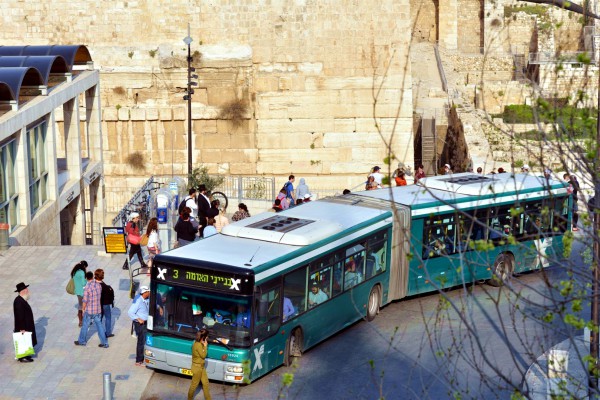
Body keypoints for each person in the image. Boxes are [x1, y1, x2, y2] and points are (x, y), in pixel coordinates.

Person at [75, 269, 109, 348]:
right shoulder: (98, 285)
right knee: (99, 326)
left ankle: (82, 341)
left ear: (86, 278)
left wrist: (83, 310)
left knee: (85, 326)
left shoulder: (87, 287)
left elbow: (85, 300)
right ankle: (104, 343)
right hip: (98, 310)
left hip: (89, 311)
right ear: (93, 277)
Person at [13, 282, 36, 362]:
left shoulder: (21, 299)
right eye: (26, 289)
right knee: (23, 340)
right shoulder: (19, 302)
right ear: (23, 291)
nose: (28, 291)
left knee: (26, 340)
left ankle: (26, 355)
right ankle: (22, 357)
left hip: (26, 325)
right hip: (23, 326)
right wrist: (22, 328)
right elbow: (20, 316)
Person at [187, 329, 213, 400]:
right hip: (197, 368)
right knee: (194, 385)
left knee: (206, 383)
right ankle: (189, 398)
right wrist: (205, 346)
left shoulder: (197, 342)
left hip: (201, 367)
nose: (207, 337)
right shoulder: (198, 345)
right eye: (206, 336)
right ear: (203, 337)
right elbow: (203, 355)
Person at [128, 286, 150, 366]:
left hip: (146, 322)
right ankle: (139, 360)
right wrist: (138, 319)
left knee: (144, 341)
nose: (150, 293)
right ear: (145, 293)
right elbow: (130, 312)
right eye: (148, 291)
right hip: (140, 324)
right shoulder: (138, 301)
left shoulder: (146, 299)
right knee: (141, 341)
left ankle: (142, 358)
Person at [97, 269, 115, 338]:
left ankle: (100, 332)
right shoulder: (104, 286)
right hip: (105, 304)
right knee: (108, 318)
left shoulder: (94, 284)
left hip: (98, 305)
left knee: (99, 319)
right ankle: (108, 333)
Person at [71, 260, 88, 327]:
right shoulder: (82, 273)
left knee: (80, 306)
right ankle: (84, 320)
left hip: (78, 292)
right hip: (82, 292)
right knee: (84, 306)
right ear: (84, 266)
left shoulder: (75, 272)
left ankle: (80, 321)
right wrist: (87, 280)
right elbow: (83, 283)